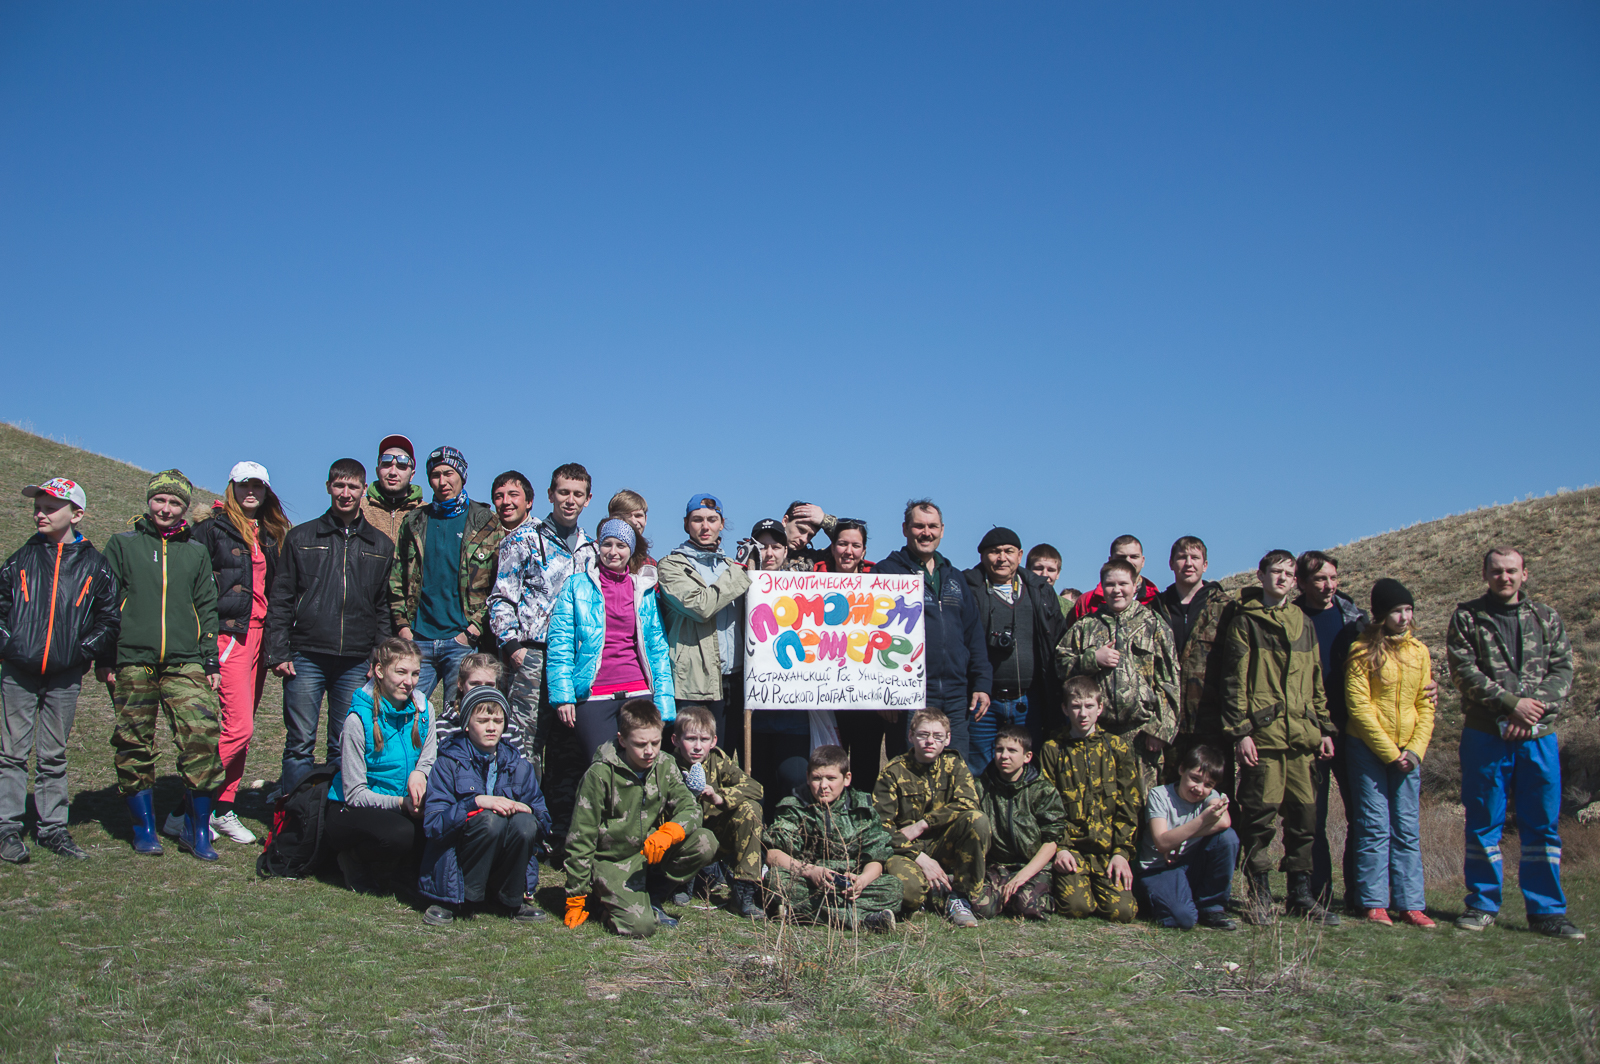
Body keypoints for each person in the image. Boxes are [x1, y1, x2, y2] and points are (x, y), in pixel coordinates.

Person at [1448, 547, 1582, 940]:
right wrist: (1510, 706)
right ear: (1485, 575)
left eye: (1511, 571)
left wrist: (1531, 713)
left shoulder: (1545, 617)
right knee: (1483, 822)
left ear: (1524, 574)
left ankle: (1547, 912)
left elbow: (1563, 669)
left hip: (1538, 738)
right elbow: (1464, 671)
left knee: (1542, 824)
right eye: (1496, 571)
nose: (1504, 578)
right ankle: (1482, 905)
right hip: (1486, 735)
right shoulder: (1467, 617)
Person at [101, 470, 225, 861]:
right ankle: (144, 829)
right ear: (149, 501)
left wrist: (209, 659)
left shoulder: (196, 552)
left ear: (185, 508)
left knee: (202, 736)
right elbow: (105, 603)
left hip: (186, 661)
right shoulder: (123, 545)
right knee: (134, 741)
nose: (166, 509)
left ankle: (196, 829)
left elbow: (207, 606)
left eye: (174, 502)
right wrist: (105, 656)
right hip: (132, 658)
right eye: (160, 500)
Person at [0, 478, 118, 863]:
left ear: (76, 514)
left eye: (51, 508)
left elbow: (109, 619)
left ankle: (52, 829)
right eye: (38, 507)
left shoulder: (96, 565)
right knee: (12, 753)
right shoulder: (20, 559)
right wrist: (9, 645)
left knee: (53, 754)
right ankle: (7, 829)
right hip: (18, 669)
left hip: (65, 674)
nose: (41, 514)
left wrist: (81, 652)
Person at [1221, 550, 1339, 926]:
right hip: (1265, 737)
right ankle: (1258, 895)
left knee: (1305, 819)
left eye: (1289, 573)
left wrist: (1324, 728)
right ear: (1261, 575)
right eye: (1276, 571)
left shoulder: (1303, 621)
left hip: (1302, 737)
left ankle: (1300, 896)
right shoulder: (1246, 620)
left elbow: (1315, 679)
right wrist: (1241, 732)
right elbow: (1234, 681)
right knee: (1259, 819)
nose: (1283, 578)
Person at [268, 459, 395, 797]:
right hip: (306, 654)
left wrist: (379, 657)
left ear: (364, 490)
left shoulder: (381, 545)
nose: (345, 493)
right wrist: (278, 650)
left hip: (356, 659)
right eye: (339, 485)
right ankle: (295, 814)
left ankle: (333, 814)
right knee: (299, 743)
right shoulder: (301, 537)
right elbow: (281, 597)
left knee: (344, 742)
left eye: (353, 486)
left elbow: (383, 608)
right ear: (328, 487)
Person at [485, 462, 597, 843]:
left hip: (573, 660)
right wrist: (512, 645)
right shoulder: (523, 540)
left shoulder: (591, 549)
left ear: (588, 499)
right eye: (563, 492)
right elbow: (501, 597)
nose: (570, 500)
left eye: (577, 494)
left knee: (566, 747)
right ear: (550, 495)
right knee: (525, 743)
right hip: (532, 653)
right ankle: (523, 828)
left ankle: (558, 829)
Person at [188, 462, 290, 845]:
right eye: (244, 485)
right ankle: (189, 807)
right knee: (239, 727)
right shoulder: (212, 529)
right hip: (229, 635)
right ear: (232, 487)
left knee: (244, 731)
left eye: (257, 486)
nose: (251, 492)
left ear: (266, 491)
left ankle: (222, 807)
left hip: (260, 638)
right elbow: (194, 583)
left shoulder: (270, 533)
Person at [562, 699, 717, 938]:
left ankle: (653, 897)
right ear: (622, 740)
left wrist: (671, 832)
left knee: (705, 841)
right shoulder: (600, 774)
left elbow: (691, 807)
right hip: (613, 861)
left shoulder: (665, 764)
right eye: (640, 744)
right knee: (641, 927)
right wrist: (576, 895)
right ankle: (601, 901)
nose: (649, 751)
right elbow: (581, 836)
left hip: (649, 852)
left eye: (655, 742)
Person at [1344, 579, 1435, 929]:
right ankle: (1374, 902)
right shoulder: (1361, 651)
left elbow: (1425, 704)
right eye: (1397, 611)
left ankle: (1411, 903)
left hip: (1409, 752)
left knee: (1407, 828)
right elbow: (1359, 705)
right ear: (1381, 615)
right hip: (1368, 749)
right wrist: (1388, 751)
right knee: (1374, 825)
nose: (1404, 617)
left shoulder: (1420, 652)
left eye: (1409, 610)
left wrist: (1414, 750)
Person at [419, 685, 550, 925]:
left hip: (503, 852)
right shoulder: (447, 763)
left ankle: (508, 899)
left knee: (524, 823)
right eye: (483, 721)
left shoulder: (519, 766)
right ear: (466, 725)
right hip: (461, 855)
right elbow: (434, 825)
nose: (491, 727)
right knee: (491, 820)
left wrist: (529, 811)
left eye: (498, 721)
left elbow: (543, 820)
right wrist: (475, 802)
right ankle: (459, 899)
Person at [875, 500, 991, 771]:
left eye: (932, 526)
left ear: (942, 530)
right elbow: (873, 635)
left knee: (957, 772)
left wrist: (982, 683)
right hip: (909, 695)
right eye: (919, 526)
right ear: (905, 529)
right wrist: (883, 694)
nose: (926, 533)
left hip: (956, 695)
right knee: (909, 773)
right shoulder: (886, 572)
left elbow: (973, 635)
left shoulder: (955, 577)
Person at [546, 518, 675, 760]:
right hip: (594, 695)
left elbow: (657, 648)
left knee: (641, 767)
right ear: (598, 547)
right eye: (607, 544)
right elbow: (560, 643)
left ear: (631, 550)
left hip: (639, 692)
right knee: (601, 768)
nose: (613, 552)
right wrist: (563, 696)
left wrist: (664, 702)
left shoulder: (644, 589)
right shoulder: (576, 586)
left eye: (621, 545)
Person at [1055, 559, 1179, 794]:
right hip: (1097, 732)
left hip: (1142, 734)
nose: (1117, 590)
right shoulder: (1086, 626)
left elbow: (1170, 682)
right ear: (1102, 587)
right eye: (1110, 584)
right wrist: (1092, 659)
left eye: (1123, 584)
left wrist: (1160, 730)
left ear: (1136, 585)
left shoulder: (1154, 625)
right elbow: (1060, 666)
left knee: (1143, 803)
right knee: (1100, 800)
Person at [391, 446, 502, 705]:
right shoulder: (414, 522)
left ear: (462, 476)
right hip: (419, 638)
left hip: (461, 640)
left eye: (449, 473)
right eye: (436, 475)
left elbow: (498, 583)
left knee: (458, 716)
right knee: (405, 711)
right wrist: (403, 627)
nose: (443, 481)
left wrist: (473, 629)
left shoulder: (486, 522)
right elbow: (397, 579)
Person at [326, 637, 436, 894]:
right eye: (401, 672)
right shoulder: (357, 721)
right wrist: (401, 804)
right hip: (353, 808)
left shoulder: (425, 710)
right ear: (379, 670)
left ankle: (402, 871)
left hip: (406, 803)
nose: (409, 681)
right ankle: (353, 859)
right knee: (400, 833)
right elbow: (354, 794)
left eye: (415, 674)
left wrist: (420, 774)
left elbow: (428, 757)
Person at [1293, 549, 1370, 909]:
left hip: (1354, 728)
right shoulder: (1292, 617)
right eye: (1320, 579)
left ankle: (1361, 893)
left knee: (1361, 814)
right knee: (1313, 816)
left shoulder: (1355, 619)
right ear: (1302, 582)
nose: (1329, 585)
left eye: (1333, 578)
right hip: (1309, 729)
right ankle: (1318, 892)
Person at [763, 744, 901, 931]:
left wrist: (862, 881)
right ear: (807, 777)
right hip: (809, 881)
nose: (823, 786)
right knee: (775, 880)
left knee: (894, 888)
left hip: (849, 881)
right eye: (817, 778)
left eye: (831, 778)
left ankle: (800, 912)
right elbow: (772, 855)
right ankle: (863, 920)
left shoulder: (861, 808)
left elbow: (876, 858)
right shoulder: (795, 806)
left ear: (847, 778)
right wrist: (810, 871)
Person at [873, 708, 991, 928]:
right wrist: (919, 857)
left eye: (937, 736)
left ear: (947, 739)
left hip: (943, 843)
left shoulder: (954, 765)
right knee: (910, 893)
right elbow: (881, 828)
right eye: (923, 735)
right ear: (911, 736)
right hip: (905, 850)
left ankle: (960, 897)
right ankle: (931, 893)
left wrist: (924, 823)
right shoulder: (893, 771)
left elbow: (968, 802)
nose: (930, 741)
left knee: (978, 820)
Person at [658, 493, 757, 752]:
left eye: (712, 520)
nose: (705, 527)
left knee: (723, 758)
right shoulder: (671, 566)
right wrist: (740, 568)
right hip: (694, 682)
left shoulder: (732, 566)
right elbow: (702, 606)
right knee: (691, 759)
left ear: (721, 524)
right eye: (697, 520)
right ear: (686, 524)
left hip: (734, 679)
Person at [964, 527, 1067, 769]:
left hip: (1029, 700)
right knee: (980, 770)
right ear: (982, 556)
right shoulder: (967, 588)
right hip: (982, 701)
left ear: (1020, 555)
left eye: (1008, 551)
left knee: (1029, 768)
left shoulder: (1040, 591)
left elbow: (1059, 640)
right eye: (994, 552)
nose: (1002, 558)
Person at [1038, 676, 1138, 923]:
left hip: (1107, 850)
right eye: (1076, 706)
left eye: (1089, 706)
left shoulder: (1117, 748)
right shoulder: (1053, 749)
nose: (1083, 714)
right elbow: (1046, 806)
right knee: (1076, 908)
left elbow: (1129, 804)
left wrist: (1121, 852)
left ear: (1100, 708)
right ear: (1065, 709)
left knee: (1122, 912)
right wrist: (1060, 848)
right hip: (1072, 849)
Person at [670, 705, 766, 919]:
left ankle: (743, 892)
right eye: (690, 739)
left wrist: (719, 797)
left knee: (751, 809)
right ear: (675, 740)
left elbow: (755, 788)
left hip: (714, 836)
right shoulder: (667, 765)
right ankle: (679, 881)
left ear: (713, 741)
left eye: (704, 740)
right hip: (678, 842)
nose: (697, 747)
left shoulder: (717, 761)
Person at [1135, 744, 1239, 930]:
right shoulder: (1160, 795)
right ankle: (1156, 900)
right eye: (1195, 779)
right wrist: (1202, 820)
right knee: (1182, 918)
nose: (1199, 789)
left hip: (1188, 864)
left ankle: (1211, 907)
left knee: (1227, 838)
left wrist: (1181, 838)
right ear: (1182, 769)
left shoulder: (1210, 796)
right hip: (1159, 868)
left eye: (1208, 784)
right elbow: (1162, 842)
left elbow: (1224, 821)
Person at [972, 725, 1065, 921]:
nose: (1004, 756)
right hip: (997, 866)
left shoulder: (1042, 790)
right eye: (999, 750)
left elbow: (1052, 841)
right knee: (981, 908)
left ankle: (1042, 895)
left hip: (1032, 866)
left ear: (1027, 756)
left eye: (1012, 751)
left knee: (1026, 905)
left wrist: (1022, 876)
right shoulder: (981, 787)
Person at [1167, 537, 1239, 791]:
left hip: (1212, 724)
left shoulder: (1226, 608)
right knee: (1170, 796)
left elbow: (1237, 669)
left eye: (1195, 558)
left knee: (1215, 795)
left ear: (1205, 565)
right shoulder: (1157, 609)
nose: (1188, 563)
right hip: (1169, 725)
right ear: (1171, 563)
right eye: (1182, 557)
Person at [1067, 535, 1169, 627]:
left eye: (1134, 557)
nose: (1128, 561)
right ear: (1110, 560)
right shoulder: (1087, 601)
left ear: (1142, 561)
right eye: (1121, 557)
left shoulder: (1157, 601)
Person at [361, 434, 425, 546]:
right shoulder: (359, 509)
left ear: (412, 475)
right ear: (377, 471)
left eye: (401, 467)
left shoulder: (426, 513)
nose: (393, 472)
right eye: (386, 465)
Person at [435, 653, 508, 749]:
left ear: (497, 687)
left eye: (489, 685)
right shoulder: (442, 726)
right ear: (460, 684)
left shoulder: (508, 725)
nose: (482, 690)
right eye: (475, 684)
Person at [774, 502, 838, 572]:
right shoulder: (765, 552)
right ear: (785, 521)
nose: (804, 539)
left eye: (810, 535)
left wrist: (824, 520)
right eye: (801, 530)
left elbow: (845, 542)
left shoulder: (813, 560)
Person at [1026, 543, 1077, 621]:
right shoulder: (1016, 602)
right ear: (1027, 570)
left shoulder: (1069, 609)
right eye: (1039, 568)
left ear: (1058, 574)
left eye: (1051, 570)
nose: (1044, 575)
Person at [607, 489, 654, 567]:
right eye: (626, 516)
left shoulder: (649, 564)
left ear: (645, 519)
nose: (633, 522)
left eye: (638, 516)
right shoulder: (594, 553)